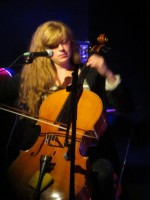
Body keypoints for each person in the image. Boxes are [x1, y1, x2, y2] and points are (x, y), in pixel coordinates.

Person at [0, 20, 133, 200]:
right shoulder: (31, 78)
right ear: (42, 49)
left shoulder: (91, 75)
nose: (61, 48)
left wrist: (107, 73)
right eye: (53, 45)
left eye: (64, 41)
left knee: (103, 173)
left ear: (71, 43)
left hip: (87, 154)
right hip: (41, 151)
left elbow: (126, 106)